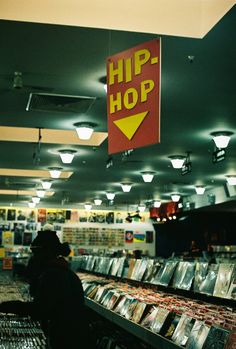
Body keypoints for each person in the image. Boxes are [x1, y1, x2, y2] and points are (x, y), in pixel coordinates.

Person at [0, 224, 93, 349]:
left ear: (45, 253)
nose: (33, 258)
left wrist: (8, 307)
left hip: (67, 339)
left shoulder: (53, 275)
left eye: (36, 253)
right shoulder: (64, 271)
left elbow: (40, 310)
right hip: (75, 335)